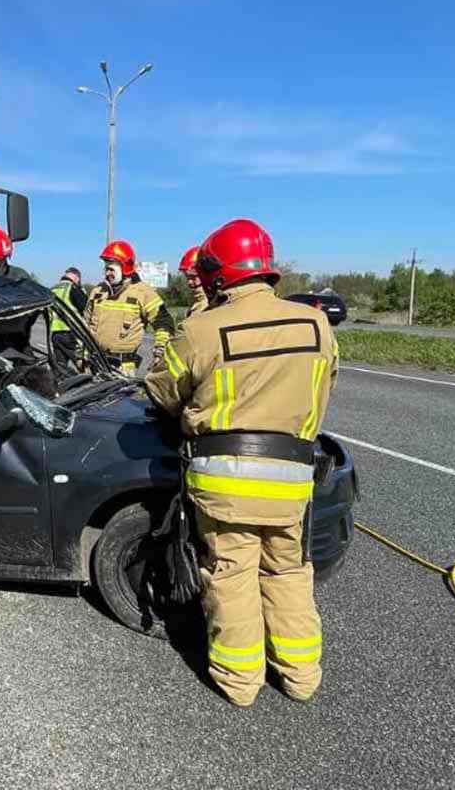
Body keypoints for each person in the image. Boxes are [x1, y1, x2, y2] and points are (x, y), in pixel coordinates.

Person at [144, 219, 338, 707]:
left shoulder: (202, 327)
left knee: (232, 574)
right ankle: (301, 676)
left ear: (216, 273)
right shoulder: (316, 324)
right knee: (289, 573)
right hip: (293, 480)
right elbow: (325, 386)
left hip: (225, 480)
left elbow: (163, 390)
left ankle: (240, 682)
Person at [84, 240, 175, 377]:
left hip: (123, 369)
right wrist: (82, 355)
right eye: (106, 269)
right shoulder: (97, 291)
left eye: (111, 269)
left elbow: (164, 323)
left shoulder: (143, 293)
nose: (107, 273)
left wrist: (160, 350)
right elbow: (84, 324)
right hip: (95, 364)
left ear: (125, 268)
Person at [49, 267, 87, 370]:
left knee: (60, 367)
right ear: (76, 277)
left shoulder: (52, 289)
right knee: (85, 365)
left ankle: (59, 384)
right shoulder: (73, 288)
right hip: (72, 334)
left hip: (55, 334)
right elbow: (86, 310)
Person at [179, 245, 209, 317]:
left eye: (194, 277)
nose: (189, 282)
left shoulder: (212, 307)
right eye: (187, 277)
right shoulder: (197, 306)